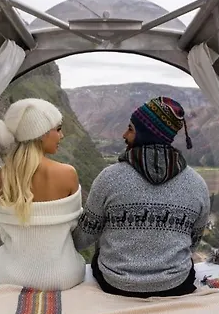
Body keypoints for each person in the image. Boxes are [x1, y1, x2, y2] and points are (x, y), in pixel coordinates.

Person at [72, 96, 210, 298]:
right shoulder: (197, 184)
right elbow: (193, 241)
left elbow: (84, 237)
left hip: (116, 283)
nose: (124, 134)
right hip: (175, 284)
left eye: (130, 129)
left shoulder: (109, 178)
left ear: (146, 133)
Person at [0, 98, 85, 290]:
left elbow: (3, 232)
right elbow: (75, 228)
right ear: (41, 134)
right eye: (58, 129)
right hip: (63, 275)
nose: (62, 135)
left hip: (8, 275)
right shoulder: (67, 174)